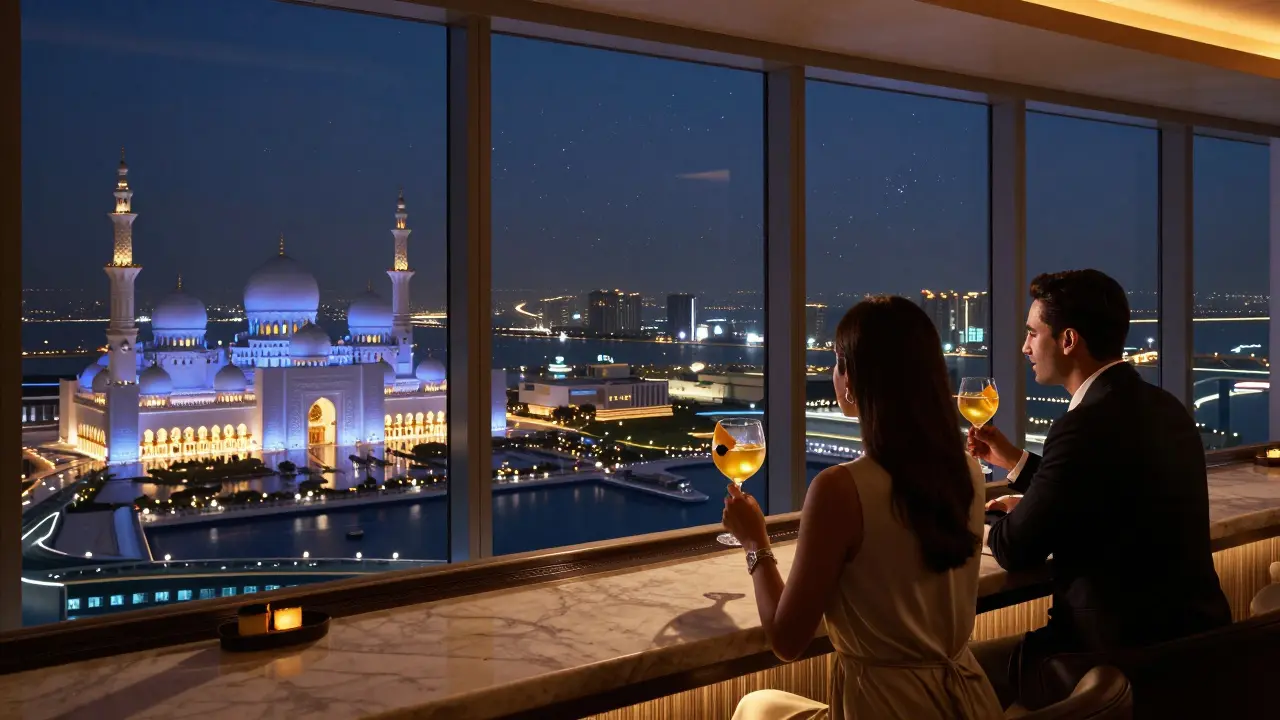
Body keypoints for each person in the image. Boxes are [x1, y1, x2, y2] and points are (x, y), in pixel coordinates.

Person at [723, 296, 1002, 720]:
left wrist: (754, 540)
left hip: (883, 706)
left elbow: (786, 639)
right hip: (967, 700)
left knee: (756, 706)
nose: (833, 375)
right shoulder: (968, 470)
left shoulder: (840, 489)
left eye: (837, 363)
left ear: (850, 378)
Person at [969, 269, 1231, 710]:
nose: (1025, 347)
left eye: (1033, 334)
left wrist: (978, 512)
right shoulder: (1165, 406)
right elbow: (1107, 485)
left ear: (1068, 340)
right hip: (1196, 647)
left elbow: (1016, 549)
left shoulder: (1082, 424)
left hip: (1111, 658)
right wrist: (1015, 463)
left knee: (963, 672)